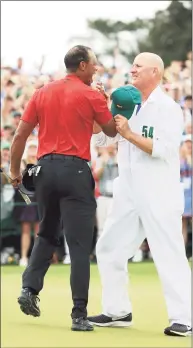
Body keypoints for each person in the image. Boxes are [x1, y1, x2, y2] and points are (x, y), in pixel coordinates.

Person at [9, 45, 117, 332]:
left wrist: (14, 171)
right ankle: (79, 314)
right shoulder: (91, 94)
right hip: (75, 171)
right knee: (79, 245)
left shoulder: (43, 91)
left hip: (44, 170)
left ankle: (29, 290)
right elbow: (109, 131)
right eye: (93, 64)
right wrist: (104, 102)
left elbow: (20, 134)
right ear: (82, 66)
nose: (96, 68)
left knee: (45, 234)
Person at [88, 52, 192, 337]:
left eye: (138, 66)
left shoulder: (168, 107)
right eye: (132, 65)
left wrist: (130, 134)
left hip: (159, 191)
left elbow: (166, 150)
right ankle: (117, 310)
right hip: (128, 191)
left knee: (169, 253)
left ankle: (184, 318)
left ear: (155, 72)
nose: (131, 70)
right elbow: (102, 138)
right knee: (108, 248)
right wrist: (100, 107)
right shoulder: (127, 102)